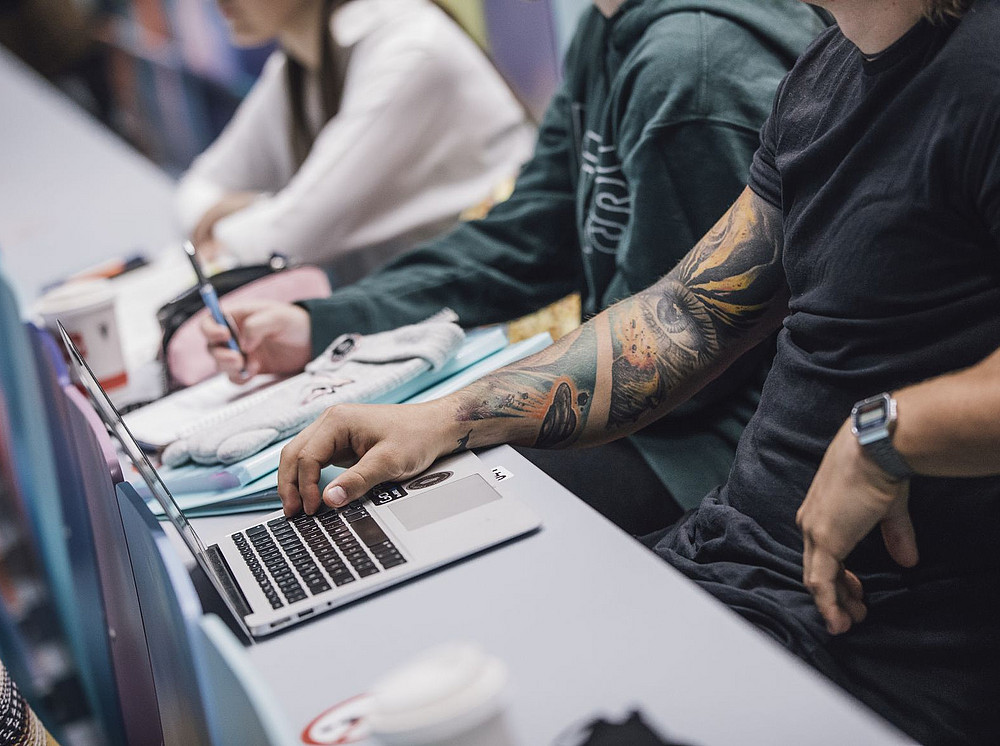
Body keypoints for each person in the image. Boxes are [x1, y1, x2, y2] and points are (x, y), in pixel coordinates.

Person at [275, 0, 1000, 743]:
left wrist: (888, 434)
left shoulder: (984, 68)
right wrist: (444, 418)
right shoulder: (829, 72)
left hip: (879, 637)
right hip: (733, 568)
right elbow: (686, 314)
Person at [203, 0, 829, 534]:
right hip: (634, 410)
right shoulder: (612, 26)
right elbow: (528, 234)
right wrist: (327, 323)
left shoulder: (690, 64)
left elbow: (675, 358)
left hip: (700, 451)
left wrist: (448, 418)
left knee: (368, 512)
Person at [176, 0, 535, 283]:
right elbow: (196, 189)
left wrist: (249, 212)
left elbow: (286, 241)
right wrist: (258, 210)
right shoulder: (297, 67)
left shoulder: (409, 48)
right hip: (433, 306)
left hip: (512, 318)